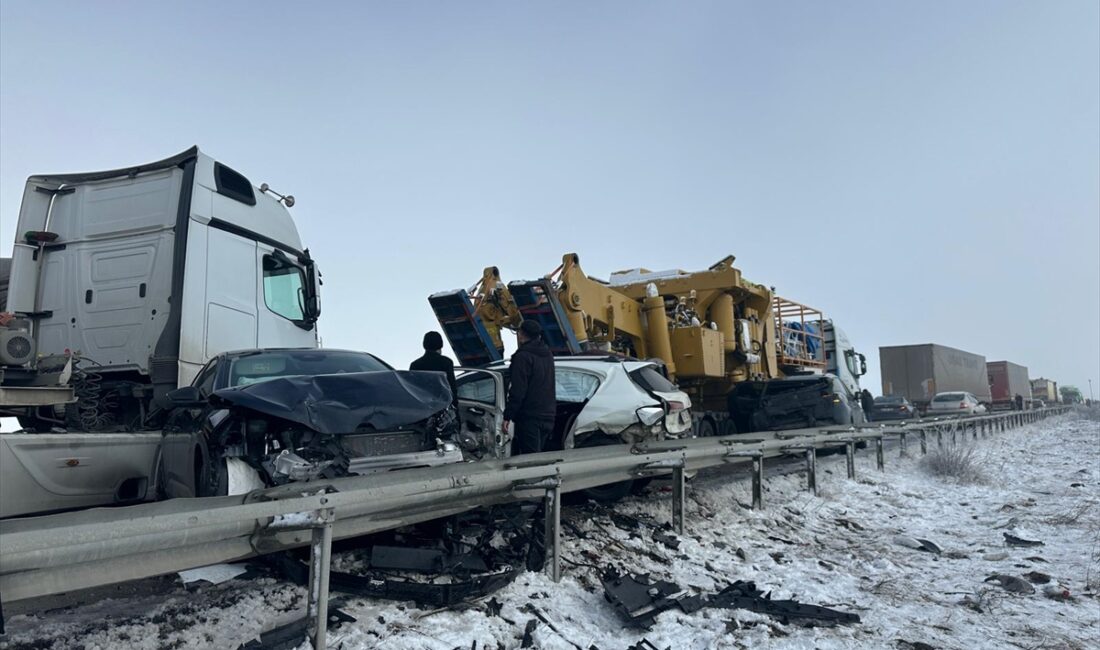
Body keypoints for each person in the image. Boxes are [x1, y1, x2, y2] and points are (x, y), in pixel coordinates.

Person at [504, 320, 556, 454]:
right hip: (548, 414)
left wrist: (508, 416)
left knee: (530, 459)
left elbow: (518, 390)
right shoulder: (548, 354)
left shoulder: (522, 357)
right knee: (538, 456)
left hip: (529, 416)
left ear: (521, 335)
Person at [410, 331, 458, 410]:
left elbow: (412, 389)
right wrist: (455, 405)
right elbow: (452, 387)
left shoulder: (415, 365)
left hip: (423, 408)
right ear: (441, 344)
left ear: (424, 344)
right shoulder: (446, 362)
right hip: (442, 407)